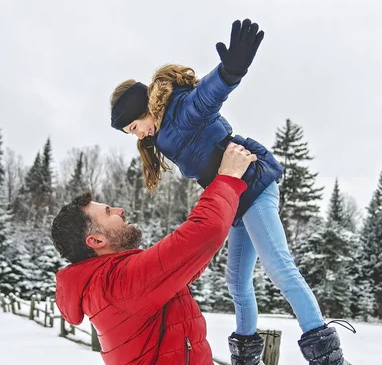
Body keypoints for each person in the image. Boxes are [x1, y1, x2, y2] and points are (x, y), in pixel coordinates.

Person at [109, 19, 354, 365]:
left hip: (253, 183)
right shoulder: (163, 131)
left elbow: (206, 98)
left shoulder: (180, 111)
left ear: (144, 110)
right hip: (236, 197)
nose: (139, 136)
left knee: (278, 266)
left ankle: (327, 357)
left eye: (135, 127)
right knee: (237, 282)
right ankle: (246, 358)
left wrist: (229, 71)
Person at [52, 142, 257, 364]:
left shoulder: (109, 283)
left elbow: (186, 262)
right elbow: (203, 233)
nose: (120, 210)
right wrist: (228, 177)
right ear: (96, 240)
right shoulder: (117, 283)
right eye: (109, 212)